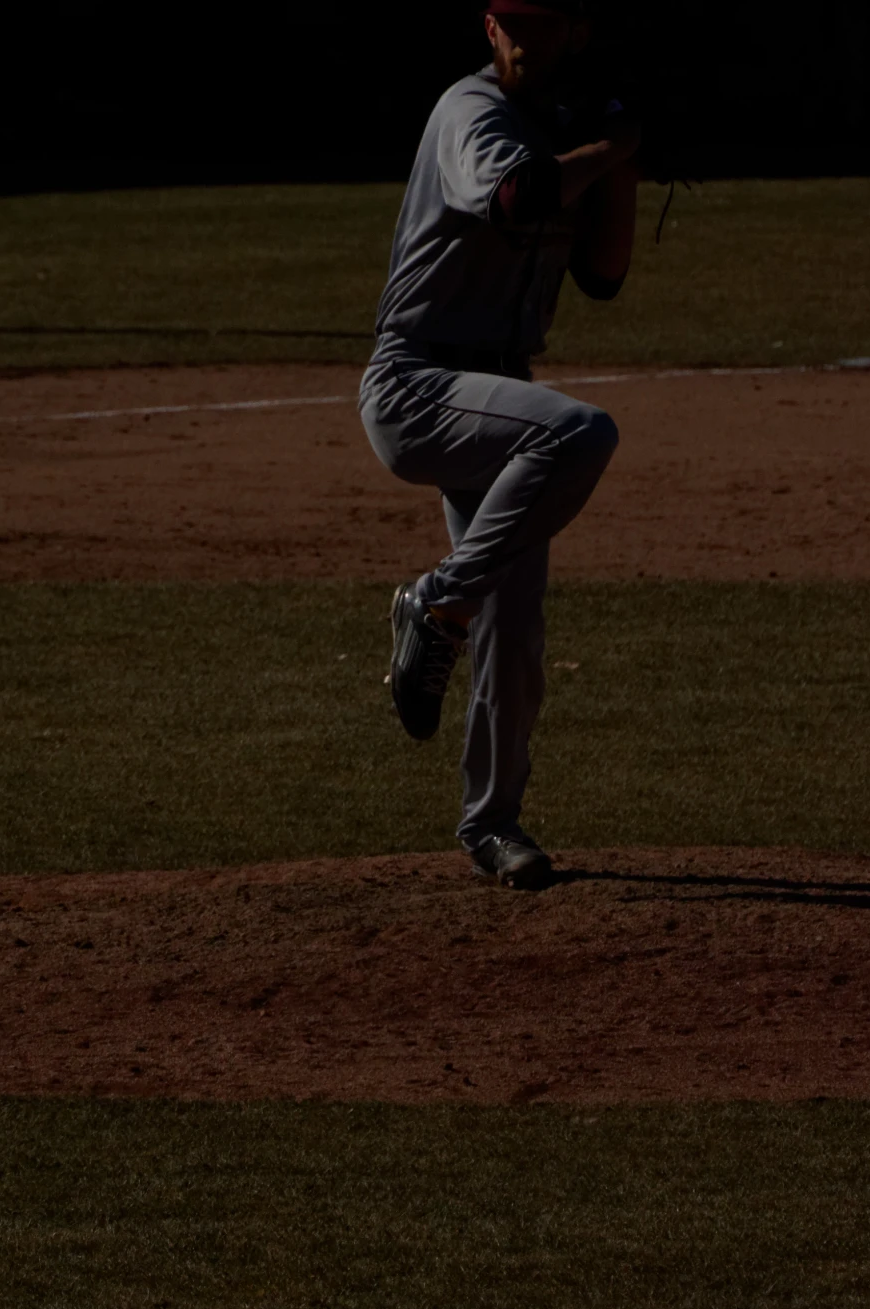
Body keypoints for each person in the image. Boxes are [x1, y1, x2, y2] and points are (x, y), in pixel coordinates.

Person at [360, 0, 641, 889]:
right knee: (582, 432)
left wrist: (620, 160)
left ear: (576, 33)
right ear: (490, 31)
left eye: (540, 21)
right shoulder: (467, 111)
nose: (516, 37)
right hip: (417, 386)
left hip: (494, 397)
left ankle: (493, 824)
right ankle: (437, 603)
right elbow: (516, 199)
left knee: (515, 629)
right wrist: (609, 150)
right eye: (504, 21)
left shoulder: (569, 127)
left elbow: (603, 276)